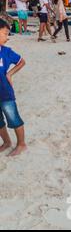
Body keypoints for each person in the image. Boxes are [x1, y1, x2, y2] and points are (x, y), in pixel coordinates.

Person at [0, 19, 27, 157]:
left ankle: (21, 144)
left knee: (13, 118)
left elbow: (22, 62)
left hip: (5, 93)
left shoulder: (6, 52)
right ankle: (6, 142)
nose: (7, 37)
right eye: (5, 33)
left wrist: (10, 73)